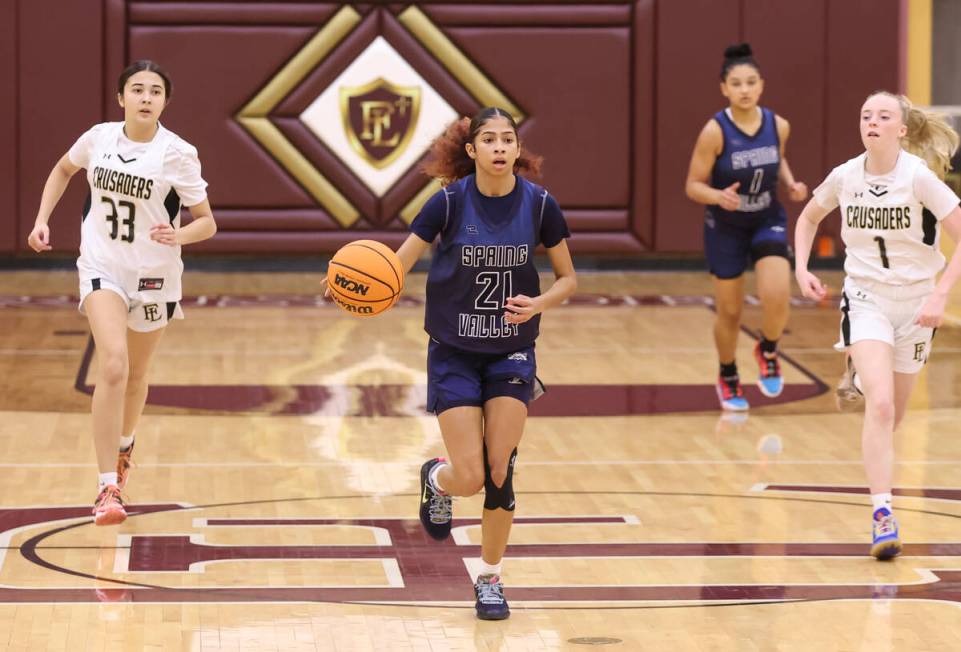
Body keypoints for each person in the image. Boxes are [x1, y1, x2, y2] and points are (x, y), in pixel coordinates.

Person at [394, 107, 576, 619]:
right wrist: (359, 283)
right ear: (471, 151)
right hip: (453, 350)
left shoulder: (540, 205)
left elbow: (568, 279)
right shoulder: (447, 203)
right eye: (489, 140)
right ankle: (437, 478)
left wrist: (539, 304)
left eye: (508, 140)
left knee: (500, 470)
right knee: (468, 476)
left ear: (519, 151)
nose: (499, 147)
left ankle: (489, 578)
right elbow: (397, 264)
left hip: (512, 350)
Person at [27, 60, 217, 525]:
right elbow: (61, 169)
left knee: (136, 375)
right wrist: (41, 219)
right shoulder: (98, 138)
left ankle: (125, 445)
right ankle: (106, 487)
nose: (146, 97)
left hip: (154, 275)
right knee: (113, 363)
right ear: (121, 98)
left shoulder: (178, 153)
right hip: (101, 267)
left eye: (155, 91)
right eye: (137, 89)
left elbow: (208, 223)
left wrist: (181, 236)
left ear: (165, 102)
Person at [794, 91, 961, 559]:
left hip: (916, 304)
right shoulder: (845, 176)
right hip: (866, 297)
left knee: (893, 417)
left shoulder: (919, 178)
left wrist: (941, 293)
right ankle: (882, 514)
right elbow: (808, 219)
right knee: (882, 406)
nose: (872, 122)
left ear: (901, 130)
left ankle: (859, 371)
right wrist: (801, 267)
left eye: (883, 116)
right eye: (865, 115)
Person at [685, 43, 808, 411]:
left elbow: (777, 158)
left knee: (778, 297)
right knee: (731, 312)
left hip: (766, 218)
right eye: (736, 83)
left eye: (750, 82)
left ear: (761, 85)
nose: (744, 89)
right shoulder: (715, 131)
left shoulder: (778, 124)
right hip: (725, 226)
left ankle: (767, 348)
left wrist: (790, 182)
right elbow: (692, 185)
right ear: (724, 88)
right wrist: (717, 196)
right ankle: (728, 373)